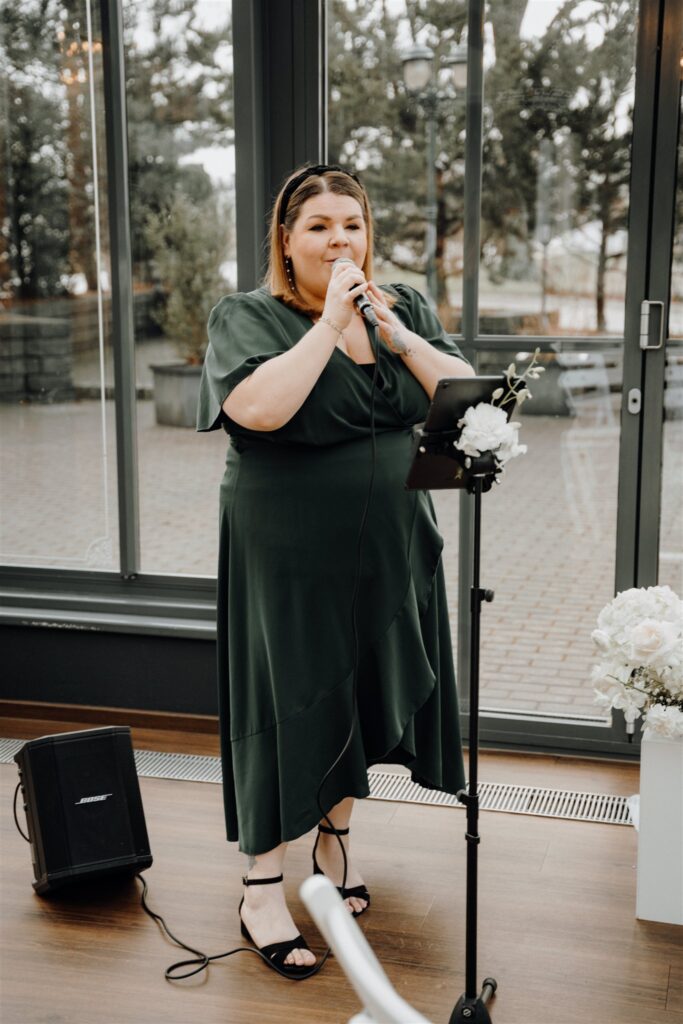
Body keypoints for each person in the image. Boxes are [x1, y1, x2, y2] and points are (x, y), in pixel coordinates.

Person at [196, 163, 475, 976]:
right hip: (285, 549)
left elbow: (461, 399)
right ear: (286, 240)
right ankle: (259, 888)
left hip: (389, 544)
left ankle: (336, 842)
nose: (338, 240)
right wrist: (327, 323)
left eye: (350, 224)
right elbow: (259, 409)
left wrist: (397, 335)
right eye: (318, 226)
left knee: (357, 688)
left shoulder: (404, 305)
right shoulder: (246, 315)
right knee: (287, 698)